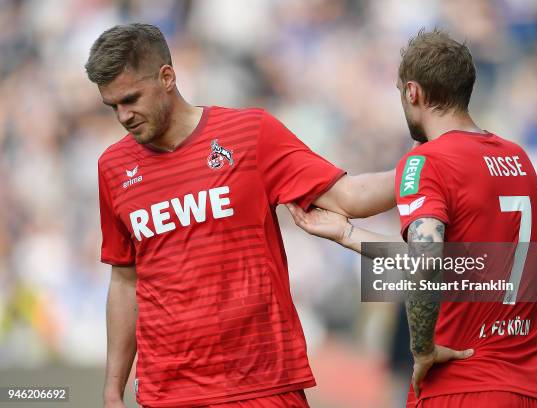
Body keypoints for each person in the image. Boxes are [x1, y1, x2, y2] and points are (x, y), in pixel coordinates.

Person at [86, 23, 396, 408]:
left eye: (131, 99)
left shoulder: (249, 134)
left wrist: (430, 167)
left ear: (167, 77)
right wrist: (112, 390)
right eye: (112, 106)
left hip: (262, 385)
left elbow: (349, 198)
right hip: (169, 391)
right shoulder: (113, 167)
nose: (123, 116)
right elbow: (124, 279)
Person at [287, 29, 537, 408]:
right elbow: (459, 264)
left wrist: (422, 347)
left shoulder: (427, 162)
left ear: (412, 92)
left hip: (459, 385)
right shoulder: (518, 159)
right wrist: (346, 233)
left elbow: (425, 262)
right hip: (528, 385)